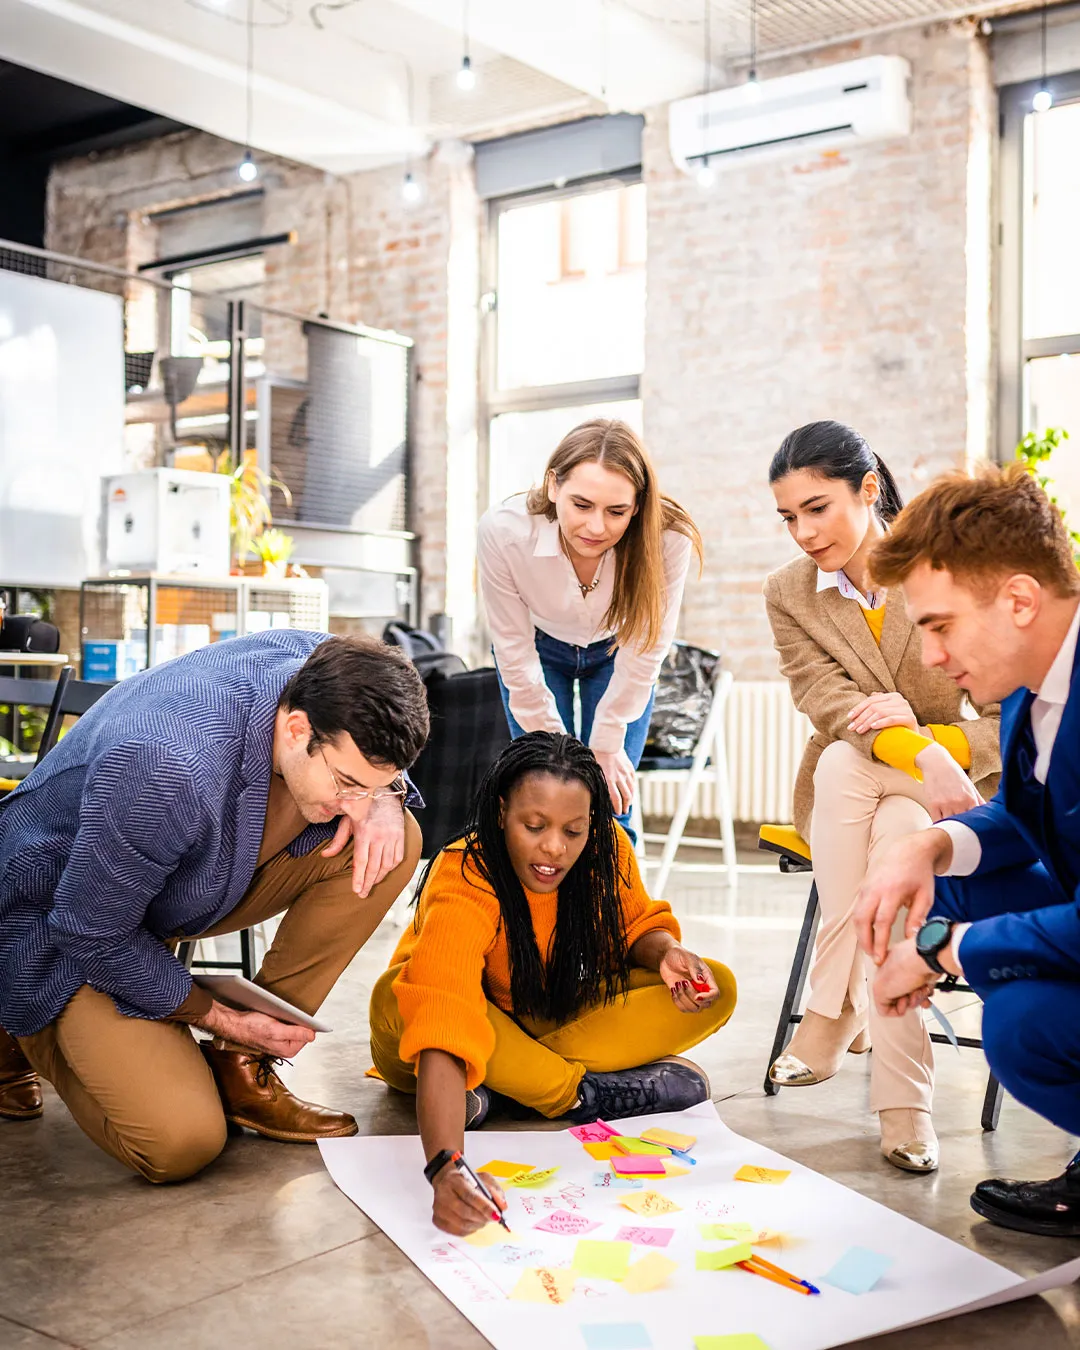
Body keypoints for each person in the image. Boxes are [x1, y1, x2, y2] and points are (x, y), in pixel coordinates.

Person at [0, 631, 428, 1183]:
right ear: (297, 728)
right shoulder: (167, 765)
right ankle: (17, 1021)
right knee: (181, 1143)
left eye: (370, 785)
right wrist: (220, 1015)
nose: (354, 802)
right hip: (57, 918)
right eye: (347, 782)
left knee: (394, 843)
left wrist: (386, 799)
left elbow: (367, 676)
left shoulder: (321, 673)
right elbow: (92, 932)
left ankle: (239, 1067)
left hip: (167, 879)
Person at [368, 731, 736, 1235]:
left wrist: (665, 953)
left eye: (573, 831)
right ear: (500, 813)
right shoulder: (465, 872)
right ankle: (579, 1096)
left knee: (719, 990)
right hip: (434, 1035)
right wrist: (445, 1168)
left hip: (537, 1028)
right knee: (396, 993)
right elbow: (444, 1015)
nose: (553, 849)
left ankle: (504, 1091)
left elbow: (635, 926)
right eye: (534, 825)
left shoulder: (607, 851)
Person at [764, 422, 1000, 1173]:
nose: (803, 534)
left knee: (876, 803)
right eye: (789, 517)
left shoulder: (946, 568)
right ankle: (905, 1105)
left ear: (868, 489)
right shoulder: (789, 593)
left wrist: (943, 752)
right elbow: (829, 703)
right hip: (860, 794)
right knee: (851, 772)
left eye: (817, 508)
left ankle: (830, 1011)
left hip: (953, 797)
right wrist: (918, 748)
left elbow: (1007, 718)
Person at [855, 463, 1080, 1236]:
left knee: (1024, 1028)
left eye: (939, 625)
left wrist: (951, 950)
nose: (932, 657)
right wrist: (930, 842)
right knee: (936, 891)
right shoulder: (1029, 684)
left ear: (1019, 599)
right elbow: (1025, 816)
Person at [477, 418, 702, 839]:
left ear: (637, 505)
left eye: (616, 511)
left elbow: (647, 644)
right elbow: (512, 646)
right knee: (548, 794)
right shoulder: (504, 531)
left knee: (611, 803)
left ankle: (613, 905)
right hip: (538, 651)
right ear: (552, 486)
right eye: (581, 505)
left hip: (619, 654)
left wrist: (608, 741)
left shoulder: (668, 537)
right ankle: (543, 905)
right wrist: (562, 755)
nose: (597, 528)